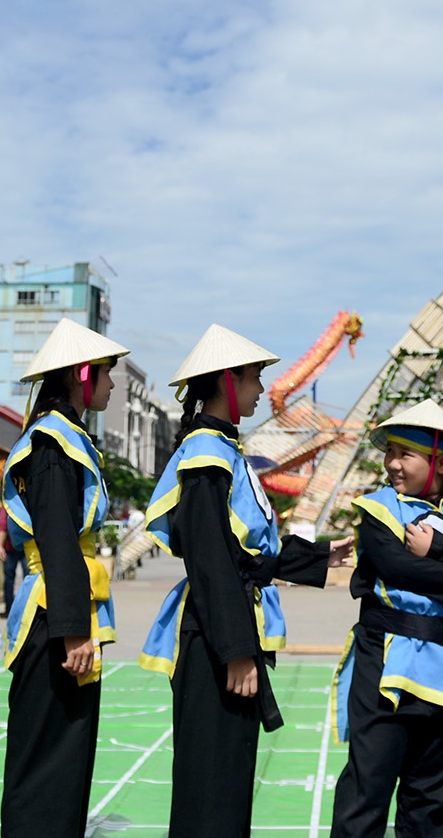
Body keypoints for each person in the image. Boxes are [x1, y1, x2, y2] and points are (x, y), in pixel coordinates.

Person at [139, 324, 353, 838]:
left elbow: (249, 554)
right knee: (211, 786)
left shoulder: (222, 449)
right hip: (216, 638)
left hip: (222, 629)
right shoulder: (207, 456)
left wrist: (321, 557)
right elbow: (212, 563)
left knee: (226, 779)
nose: (260, 389)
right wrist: (237, 650)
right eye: (254, 378)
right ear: (227, 383)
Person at [330, 399, 443, 838]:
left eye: (406, 454)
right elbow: (397, 567)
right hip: (384, 660)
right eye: (390, 452)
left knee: (431, 798)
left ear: (441, 462)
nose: (392, 464)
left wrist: (440, 557)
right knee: (368, 788)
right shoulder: (378, 509)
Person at [0, 318, 128, 838]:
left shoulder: (67, 437)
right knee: (48, 758)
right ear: (81, 374)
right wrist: (73, 627)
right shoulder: (54, 443)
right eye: (106, 373)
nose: (112, 384)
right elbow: (56, 539)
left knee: (66, 755)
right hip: (54, 615)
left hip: (64, 612)